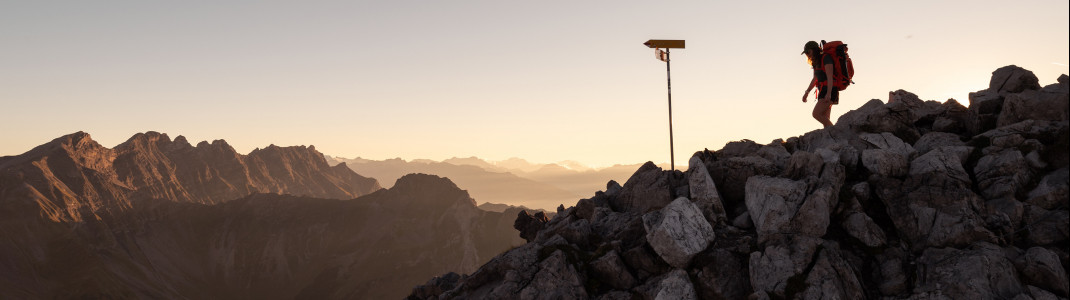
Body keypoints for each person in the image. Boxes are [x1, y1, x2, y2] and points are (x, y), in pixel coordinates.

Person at [801, 40, 837, 128]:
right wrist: (807, 92)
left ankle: (837, 132)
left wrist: (828, 93)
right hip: (822, 90)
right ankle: (831, 135)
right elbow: (815, 79)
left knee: (816, 114)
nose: (807, 55)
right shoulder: (816, 62)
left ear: (814, 50)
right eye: (806, 53)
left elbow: (830, 77)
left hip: (830, 89)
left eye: (808, 52)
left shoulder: (826, 58)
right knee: (825, 118)